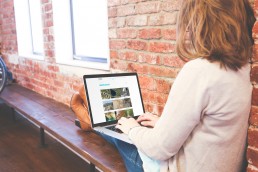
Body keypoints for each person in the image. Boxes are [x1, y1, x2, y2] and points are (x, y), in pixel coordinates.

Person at [71, 0, 255, 171]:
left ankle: (89, 120)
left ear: (202, 23)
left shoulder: (200, 71)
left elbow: (159, 149)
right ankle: (93, 120)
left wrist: (132, 128)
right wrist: (162, 124)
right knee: (128, 127)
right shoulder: (247, 70)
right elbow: (211, 129)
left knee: (121, 135)